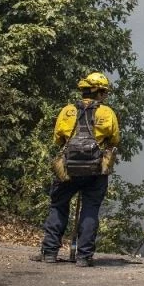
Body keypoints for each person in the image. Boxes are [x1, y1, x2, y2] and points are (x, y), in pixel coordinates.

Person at [31, 72, 120, 267]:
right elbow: (114, 140)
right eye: (104, 92)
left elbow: (58, 139)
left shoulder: (67, 111)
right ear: (100, 93)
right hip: (95, 170)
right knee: (90, 210)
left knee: (58, 205)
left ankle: (49, 253)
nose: (105, 96)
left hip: (68, 168)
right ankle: (84, 256)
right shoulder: (107, 113)